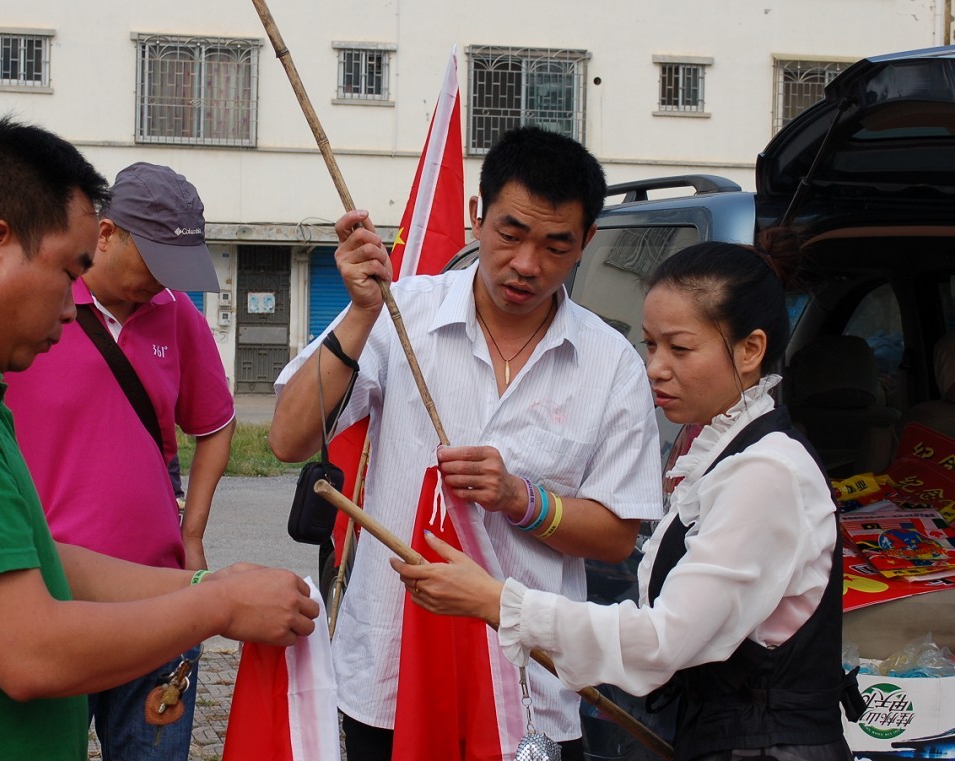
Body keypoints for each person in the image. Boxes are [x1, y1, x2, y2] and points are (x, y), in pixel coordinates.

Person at [0, 118, 318, 761]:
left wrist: (203, 585)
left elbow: (39, 559)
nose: (71, 306)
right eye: (67, 270)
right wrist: (216, 607)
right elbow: (31, 651)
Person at [269, 126, 663, 759]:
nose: (528, 264)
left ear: (587, 242)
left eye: (556, 244)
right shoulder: (403, 314)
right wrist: (362, 311)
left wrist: (522, 500)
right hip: (388, 674)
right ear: (477, 217)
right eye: (511, 234)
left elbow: (617, 534)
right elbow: (288, 438)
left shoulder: (610, 364)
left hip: (531, 683)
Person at [394, 238, 865, 760]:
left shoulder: (768, 472)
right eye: (650, 345)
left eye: (679, 349)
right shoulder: (726, 453)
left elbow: (664, 639)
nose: (655, 368)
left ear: (750, 350)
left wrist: (496, 600)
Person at [4, 161, 234, 760]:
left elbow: (215, 425)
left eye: (175, 271)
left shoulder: (179, 316)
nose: (162, 283)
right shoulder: (35, 308)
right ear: (106, 235)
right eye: (154, 264)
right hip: (53, 595)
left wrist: (194, 531)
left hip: (159, 597)